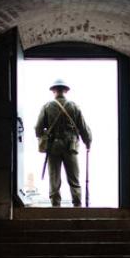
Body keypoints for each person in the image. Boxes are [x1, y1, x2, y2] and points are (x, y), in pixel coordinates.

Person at [35, 79, 92, 207]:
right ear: (65, 91)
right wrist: (88, 142)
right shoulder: (74, 106)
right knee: (74, 178)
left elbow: (38, 129)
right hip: (70, 147)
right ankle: (77, 205)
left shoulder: (47, 107)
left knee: (54, 178)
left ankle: (56, 205)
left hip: (53, 147)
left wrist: (44, 136)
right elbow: (83, 128)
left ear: (53, 90)